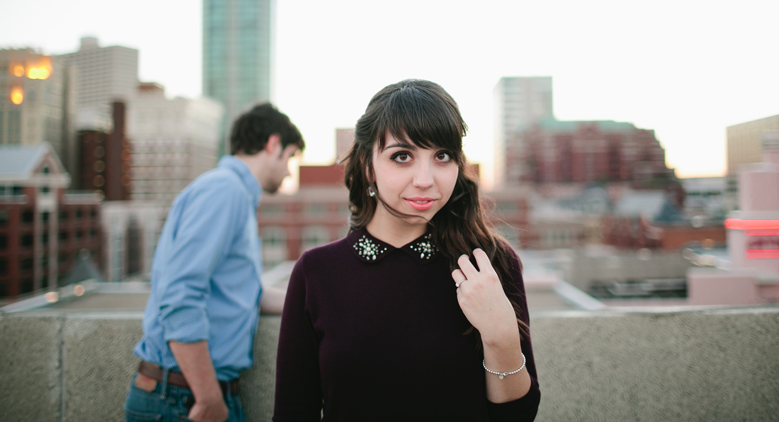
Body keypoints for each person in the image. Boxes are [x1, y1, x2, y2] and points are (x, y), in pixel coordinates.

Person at [273, 80, 540, 421]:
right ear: (369, 166)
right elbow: (293, 412)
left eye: (442, 156)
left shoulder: (489, 263)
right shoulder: (317, 272)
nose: (426, 179)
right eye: (402, 156)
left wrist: (501, 335)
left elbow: (518, 417)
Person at [125, 103, 305, 422]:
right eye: (290, 157)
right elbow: (179, 294)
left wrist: (316, 299)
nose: (290, 170)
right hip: (186, 398)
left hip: (191, 394)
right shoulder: (225, 190)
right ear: (273, 144)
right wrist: (208, 399)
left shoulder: (234, 194)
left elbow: (245, 294)